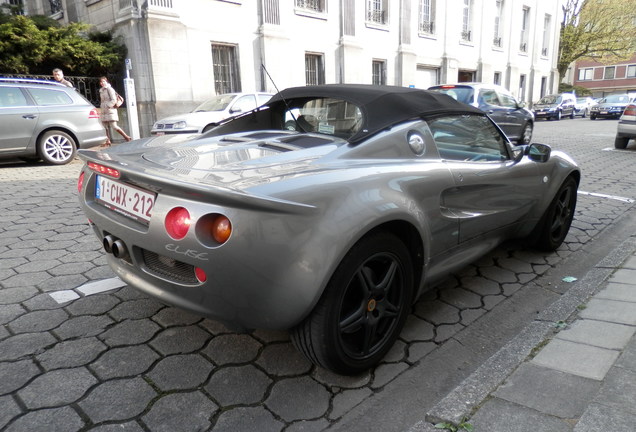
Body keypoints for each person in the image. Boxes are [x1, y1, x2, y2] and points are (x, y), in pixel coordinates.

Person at [99, 76, 131, 146]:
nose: (102, 83)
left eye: (103, 81)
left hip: (110, 110)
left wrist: (108, 106)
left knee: (114, 126)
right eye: (101, 82)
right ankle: (108, 141)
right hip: (104, 110)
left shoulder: (110, 89)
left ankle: (126, 137)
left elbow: (114, 100)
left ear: (106, 81)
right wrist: (103, 107)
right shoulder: (101, 90)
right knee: (105, 127)